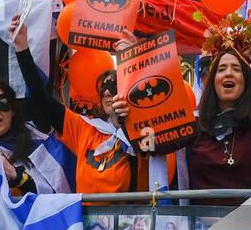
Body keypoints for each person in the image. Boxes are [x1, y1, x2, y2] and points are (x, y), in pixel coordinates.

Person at [11, 18, 161, 194]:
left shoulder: (146, 129)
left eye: (114, 87)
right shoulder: (85, 129)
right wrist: (21, 48)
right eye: (104, 88)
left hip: (129, 218)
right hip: (86, 218)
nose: (106, 93)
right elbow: (42, 99)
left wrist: (134, 62)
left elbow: (153, 141)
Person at [185, 45, 251, 197]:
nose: (228, 73)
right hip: (205, 219)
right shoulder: (196, 123)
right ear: (213, 81)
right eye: (221, 69)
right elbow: (156, 143)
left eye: (236, 69)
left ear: (246, 80)